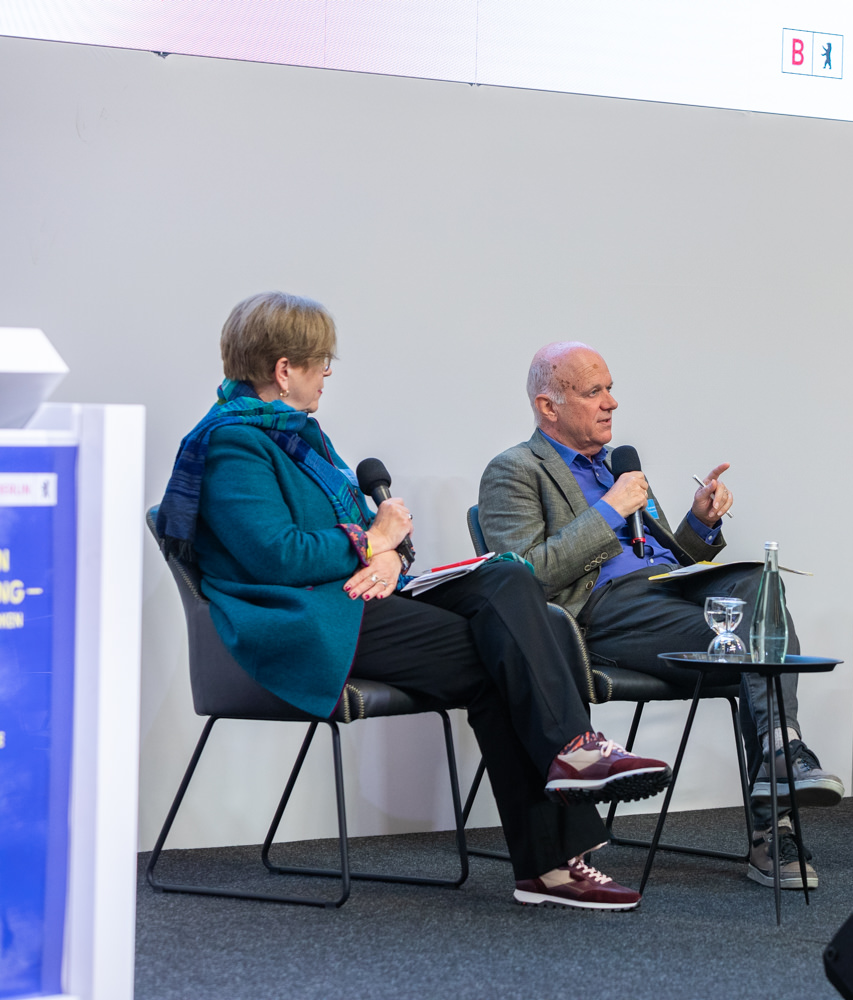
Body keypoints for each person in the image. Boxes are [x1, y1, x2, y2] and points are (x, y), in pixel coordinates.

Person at [156, 292, 671, 912]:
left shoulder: (301, 440)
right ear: (285, 369)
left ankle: (572, 768)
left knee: (507, 578)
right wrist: (370, 541)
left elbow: (368, 539)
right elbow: (277, 556)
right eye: (321, 364)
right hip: (301, 621)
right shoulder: (232, 444)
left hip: (354, 599)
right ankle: (557, 847)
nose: (326, 377)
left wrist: (387, 556)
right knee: (501, 657)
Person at [478, 341, 845, 890]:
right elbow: (524, 577)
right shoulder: (513, 471)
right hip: (604, 614)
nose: (612, 403)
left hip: (665, 597)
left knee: (761, 586)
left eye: (611, 388)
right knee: (755, 648)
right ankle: (777, 825)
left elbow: (669, 559)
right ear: (548, 406)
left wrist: (698, 526)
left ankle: (777, 750)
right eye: (594, 391)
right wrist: (609, 510)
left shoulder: (619, 469)